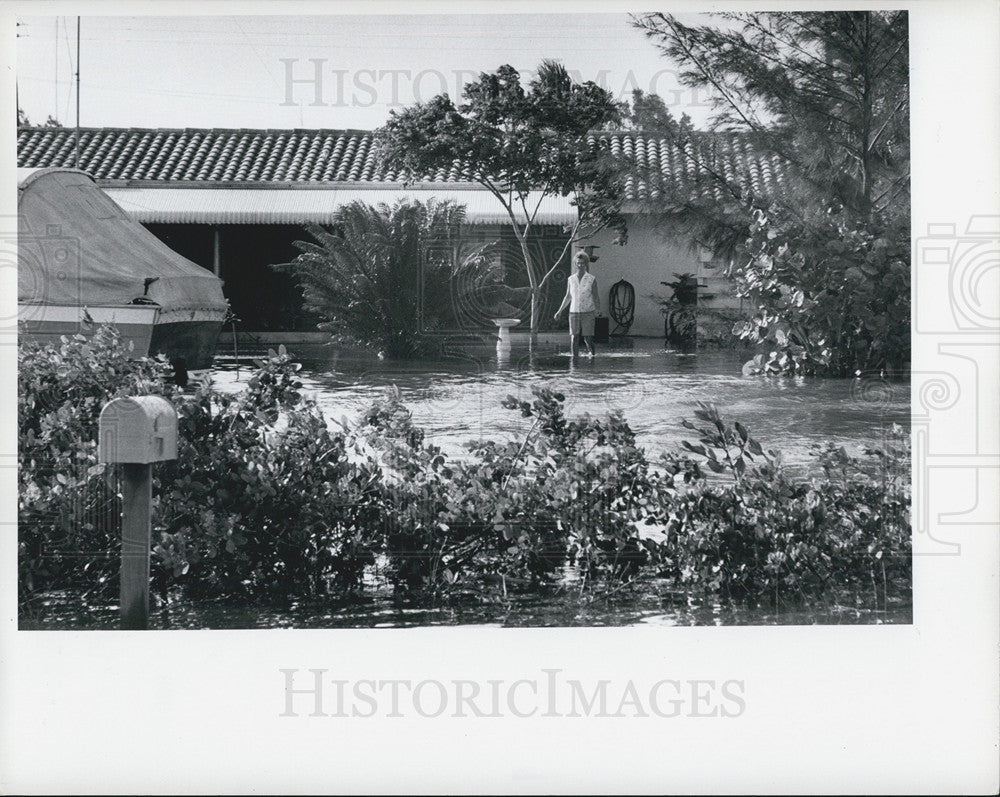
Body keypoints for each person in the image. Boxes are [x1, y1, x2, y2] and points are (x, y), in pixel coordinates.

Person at [554, 251, 601, 357]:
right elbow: (568, 296)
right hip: (574, 312)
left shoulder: (591, 279)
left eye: (582, 263)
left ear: (586, 264)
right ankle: (574, 360)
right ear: (575, 264)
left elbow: (595, 296)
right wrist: (559, 311)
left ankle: (592, 355)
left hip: (588, 312)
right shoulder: (571, 279)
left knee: (587, 338)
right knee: (574, 337)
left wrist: (598, 309)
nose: (580, 265)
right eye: (578, 263)